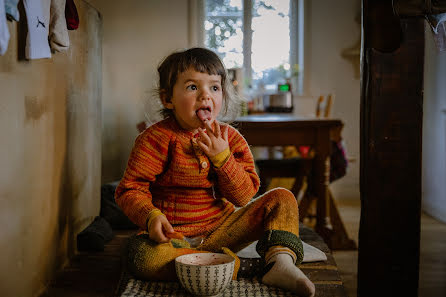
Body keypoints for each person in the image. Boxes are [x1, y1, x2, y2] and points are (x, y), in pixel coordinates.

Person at [115, 47, 315, 297]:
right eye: (192, 87)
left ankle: (281, 263)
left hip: (224, 229)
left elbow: (243, 197)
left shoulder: (231, 139)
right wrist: (151, 216)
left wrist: (223, 159)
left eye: (214, 87)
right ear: (168, 99)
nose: (205, 96)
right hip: (174, 237)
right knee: (139, 255)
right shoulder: (155, 139)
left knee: (283, 198)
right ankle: (242, 267)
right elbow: (130, 189)